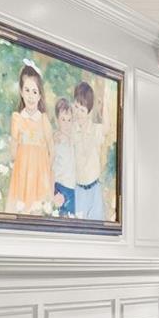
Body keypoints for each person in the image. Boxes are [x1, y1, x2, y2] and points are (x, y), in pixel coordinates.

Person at [3, 63, 52, 214]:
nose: (31, 96)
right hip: (22, 177)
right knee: (21, 210)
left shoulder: (43, 120)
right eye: (27, 90)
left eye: (35, 91)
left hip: (40, 179)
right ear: (21, 92)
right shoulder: (17, 118)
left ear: (40, 96)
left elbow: (51, 150)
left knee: (37, 212)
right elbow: (13, 152)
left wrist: (46, 174)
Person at [69, 80, 109, 221]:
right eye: (76, 107)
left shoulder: (95, 129)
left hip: (94, 188)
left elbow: (106, 128)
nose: (78, 113)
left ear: (89, 112)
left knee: (97, 223)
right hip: (79, 188)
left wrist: (104, 104)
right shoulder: (72, 129)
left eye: (82, 110)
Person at [49, 94, 78, 217]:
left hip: (72, 189)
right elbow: (50, 168)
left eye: (69, 120)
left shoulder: (72, 139)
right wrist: (53, 192)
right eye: (63, 120)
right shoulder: (56, 140)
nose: (66, 124)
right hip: (60, 188)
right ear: (57, 120)